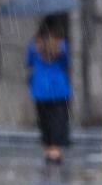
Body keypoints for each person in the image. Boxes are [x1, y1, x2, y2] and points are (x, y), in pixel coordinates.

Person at [28, 18, 72, 165]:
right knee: (58, 119)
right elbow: (67, 62)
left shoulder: (34, 46)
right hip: (58, 87)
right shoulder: (62, 46)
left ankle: (47, 148)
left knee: (44, 119)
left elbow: (28, 62)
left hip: (40, 87)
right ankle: (55, 150)